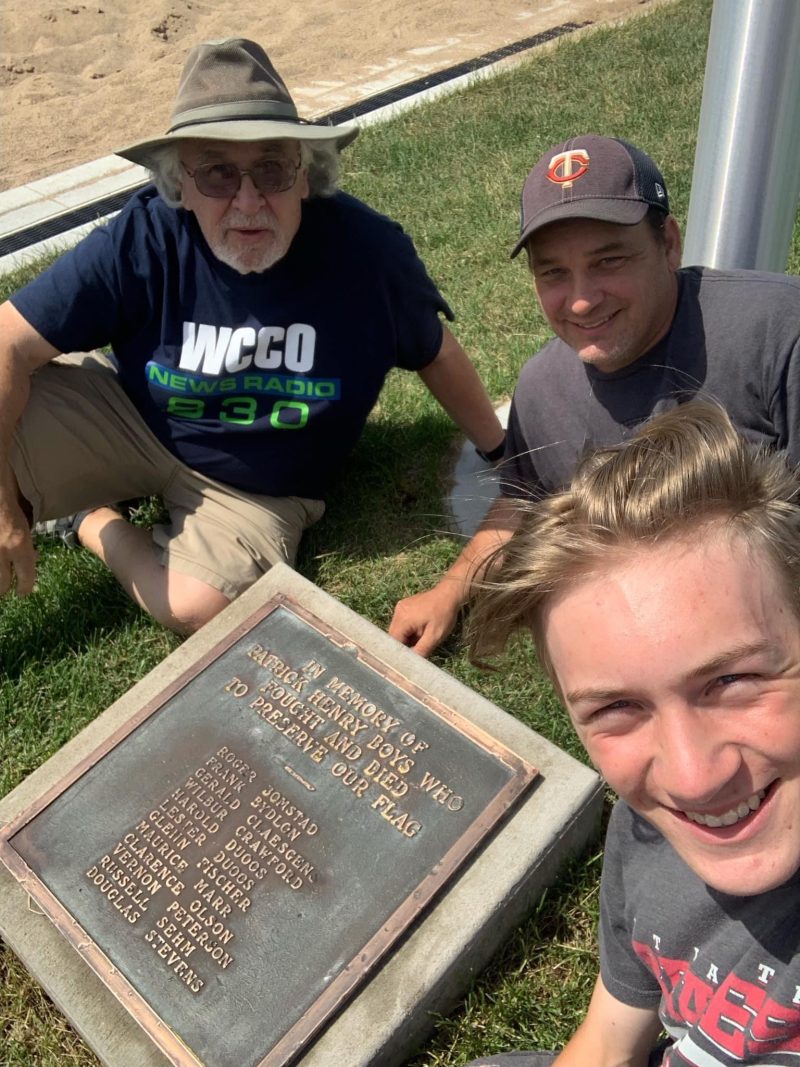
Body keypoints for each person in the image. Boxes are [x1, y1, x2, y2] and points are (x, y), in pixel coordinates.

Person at [0, 37, 504, 634]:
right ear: (179, 184)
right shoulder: (142, 235)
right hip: (130, 418)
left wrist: (503, 453)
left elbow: (433, 349)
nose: (247, 200)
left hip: (258, 489)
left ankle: (92, 519)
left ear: (305, 176)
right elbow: (6, 342)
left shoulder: (367, 254)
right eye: (216, 171)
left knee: (200, 607)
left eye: (270, 167)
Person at [462, 401, 800, 1067]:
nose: (693, 775)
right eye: (616, 708)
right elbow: (613, 1033)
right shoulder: (646, 837)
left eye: (732, 680)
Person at [389, 133, 800, 657]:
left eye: (609, 261)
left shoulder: (780, 335)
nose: (581, 301)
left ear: (669, 244)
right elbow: (524, 498)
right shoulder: (542, 387)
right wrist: (448, 592)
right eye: (553, 272)